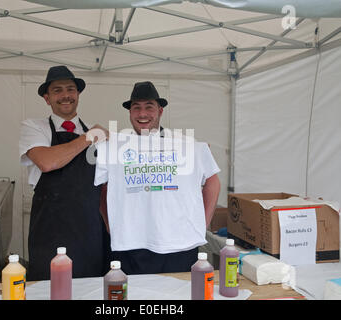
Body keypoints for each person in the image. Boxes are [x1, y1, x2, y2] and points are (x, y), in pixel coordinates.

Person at [95, 81, 221, 275]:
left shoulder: (185, 144)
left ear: (160, 111)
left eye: (149, 107)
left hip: (179, 243)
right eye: (136, 108)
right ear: (130, 113)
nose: (142, 114)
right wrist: (109, 224)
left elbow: (212, 181)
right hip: (131, 242)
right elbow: (103, 187)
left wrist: (202, 222)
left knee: (178, 295)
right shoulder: (115, 147)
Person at [19, 65, 110, 280]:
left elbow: (105, 185)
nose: (65, 95)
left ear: (78, 94)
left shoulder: (96, 134)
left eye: (70, 89)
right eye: (57, 90)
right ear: (47, 98)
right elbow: (47, 162)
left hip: (90, 231)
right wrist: (89, 137)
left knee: (90, 289)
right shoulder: (34, 127)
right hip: (50, 231)